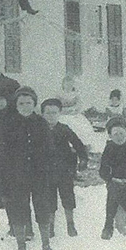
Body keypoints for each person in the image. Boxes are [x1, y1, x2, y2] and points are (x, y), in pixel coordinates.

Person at [1, 87, 58, 250]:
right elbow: (4, 153)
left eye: (29, 103)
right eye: (21, 103)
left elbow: (49, 150)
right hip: (17, 175)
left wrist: (47, 171)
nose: (25, 106)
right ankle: (21, 248)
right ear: (16, 105)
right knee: (19, 208)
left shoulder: (41, 123)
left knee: (42, 207)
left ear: (34, 104)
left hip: (39, 175)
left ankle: (46, 245)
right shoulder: (9, 123)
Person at [41, 98, 88, 238]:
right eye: (48, 113)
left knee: (67, 197)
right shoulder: (39, 129)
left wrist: (83, 158)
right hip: (46, 171)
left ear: (59, 113)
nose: (51, 116)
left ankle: (70, 223)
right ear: (42, 114)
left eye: (54, 113)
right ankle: (50, 226)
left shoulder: (64, 129)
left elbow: (78, 144)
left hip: (64, 170)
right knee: (49, 199)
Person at [0, 83, 32, 240]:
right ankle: (13, 225)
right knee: (4, 194)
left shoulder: (15, 115)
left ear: (7, 99)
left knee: (21, 196)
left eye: (0, 99)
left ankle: (27, 228)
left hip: (16, 162)